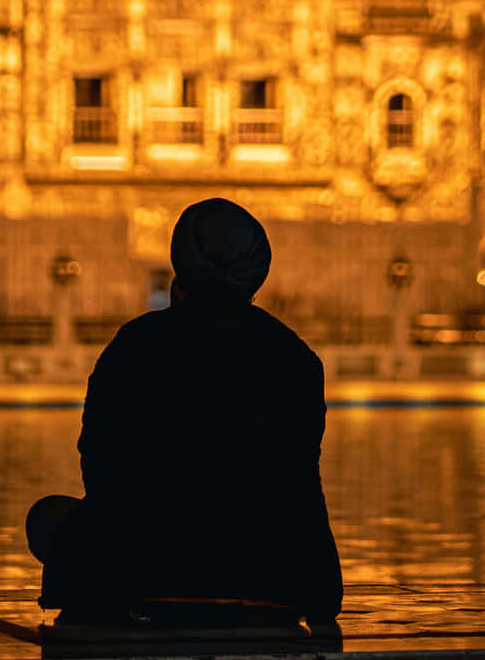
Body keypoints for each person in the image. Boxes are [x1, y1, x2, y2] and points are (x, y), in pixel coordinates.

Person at [27, 198, 342, 629]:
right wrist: (319, 585)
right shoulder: (296, 358)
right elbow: (301, 482)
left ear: (182, 264)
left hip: (149, 575)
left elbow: (101, 471)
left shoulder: (137, 345)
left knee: (48, 517)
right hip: (270, 580)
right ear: (256, 271)